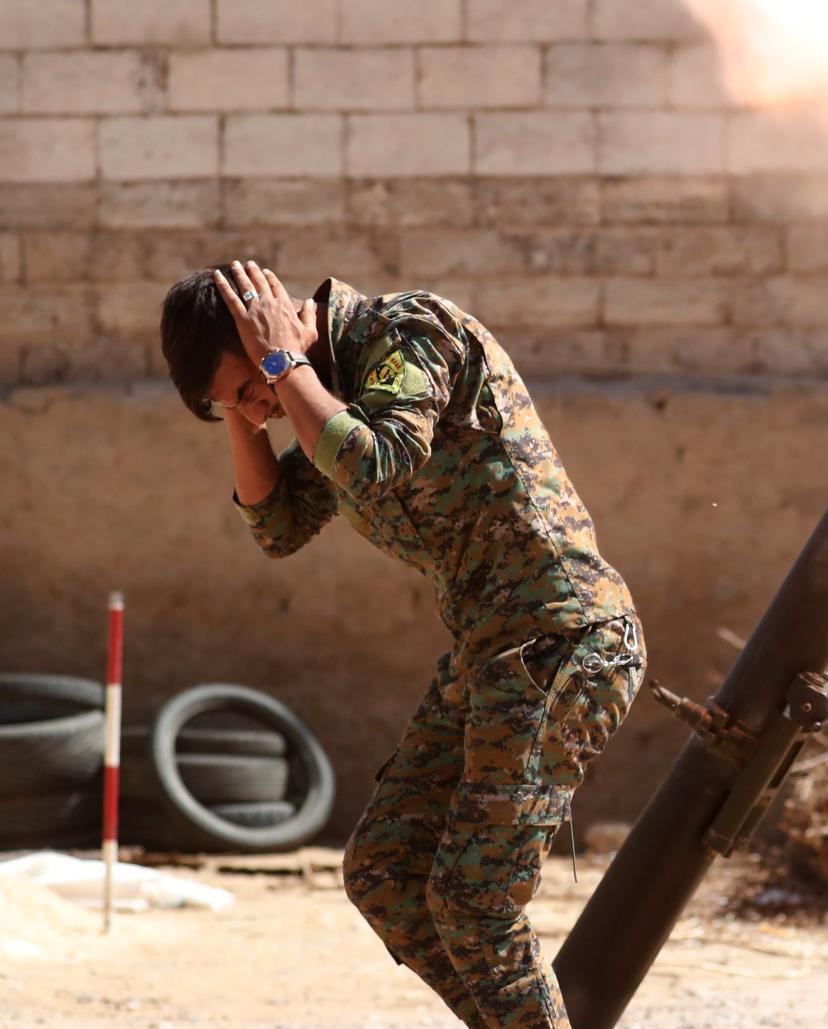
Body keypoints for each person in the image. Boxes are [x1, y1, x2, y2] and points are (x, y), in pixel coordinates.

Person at [158, 259, 643, 1028]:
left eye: (248, 386)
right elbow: (278, 526)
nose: (262, 410)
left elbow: (376, 463)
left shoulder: (409, 331)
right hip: (491, 654)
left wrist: (280, 367)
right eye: (235, 405)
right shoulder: (311, 394)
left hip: (564, 638)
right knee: (385, 868)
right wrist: (245, 411)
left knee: (474, 903)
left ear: (273, 321)